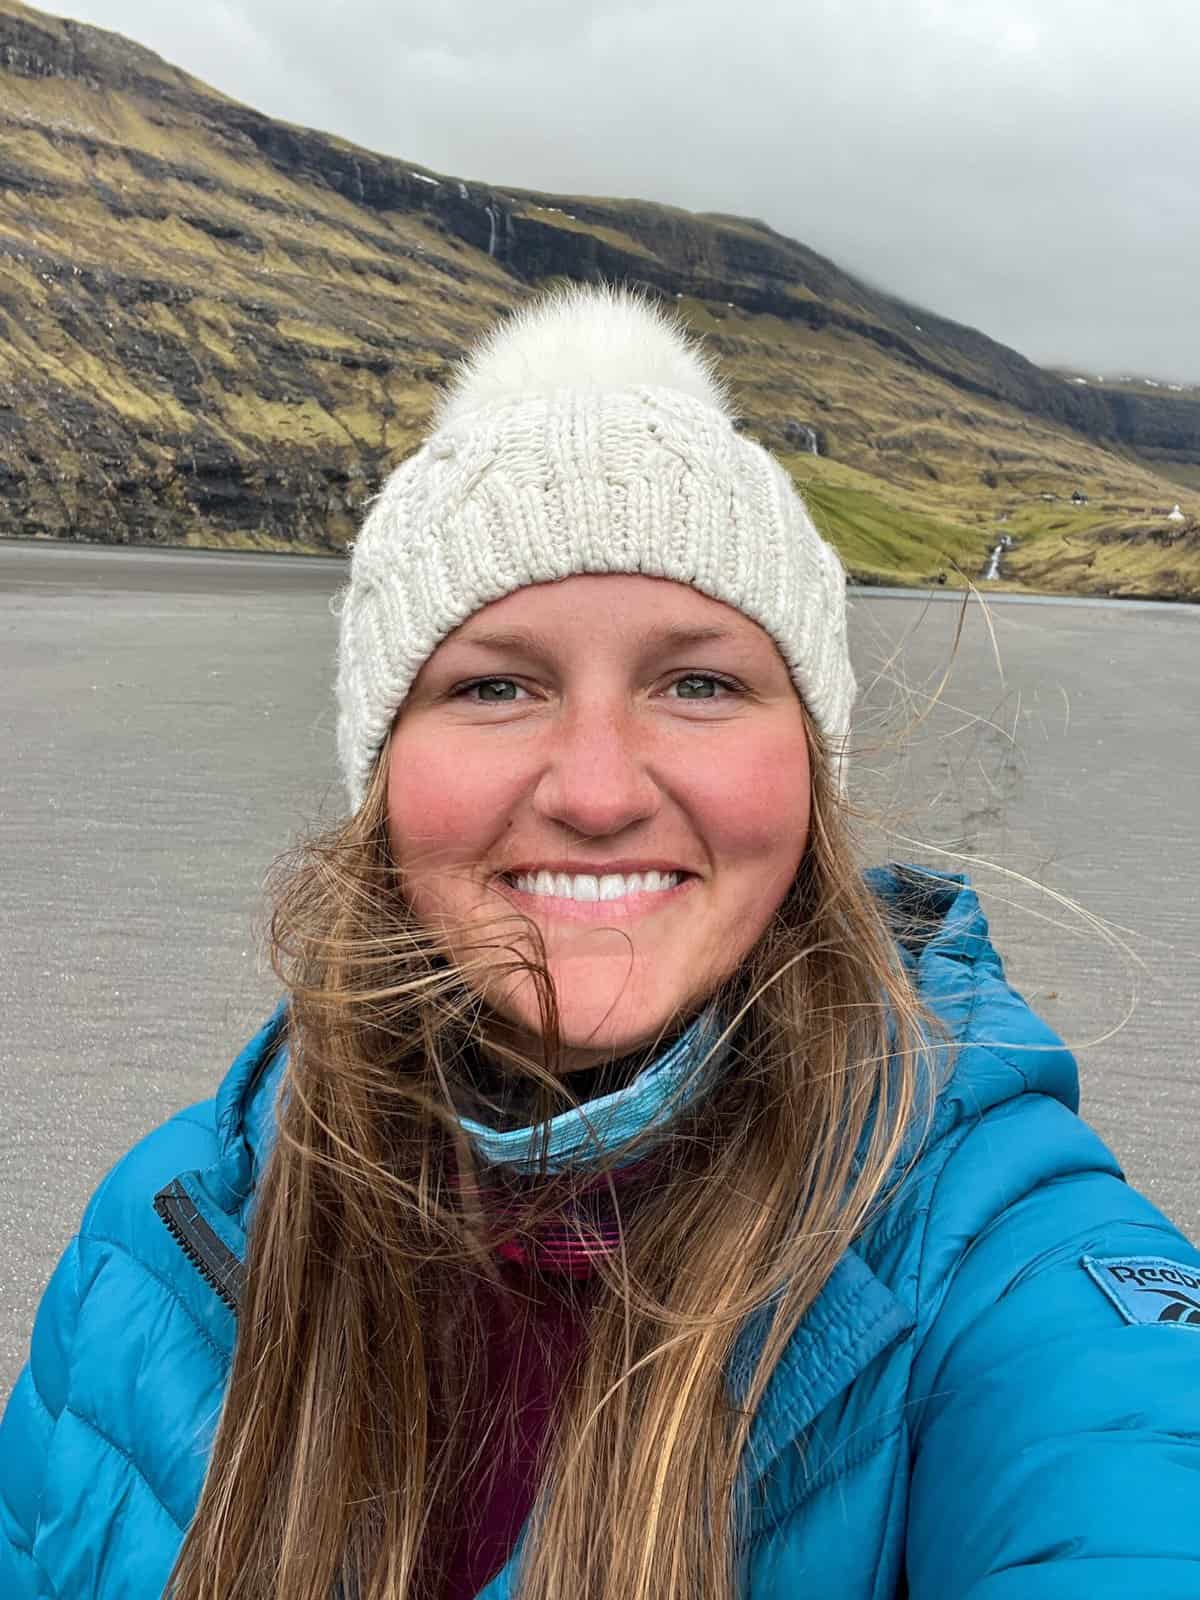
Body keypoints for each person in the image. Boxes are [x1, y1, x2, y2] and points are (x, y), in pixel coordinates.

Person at [2, 285, 1198, 1600]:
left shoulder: (993, 1246)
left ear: (809, 763)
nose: (595, 789)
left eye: (696, 681)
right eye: (497, 685)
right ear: (382, 774)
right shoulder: (162, 1235)